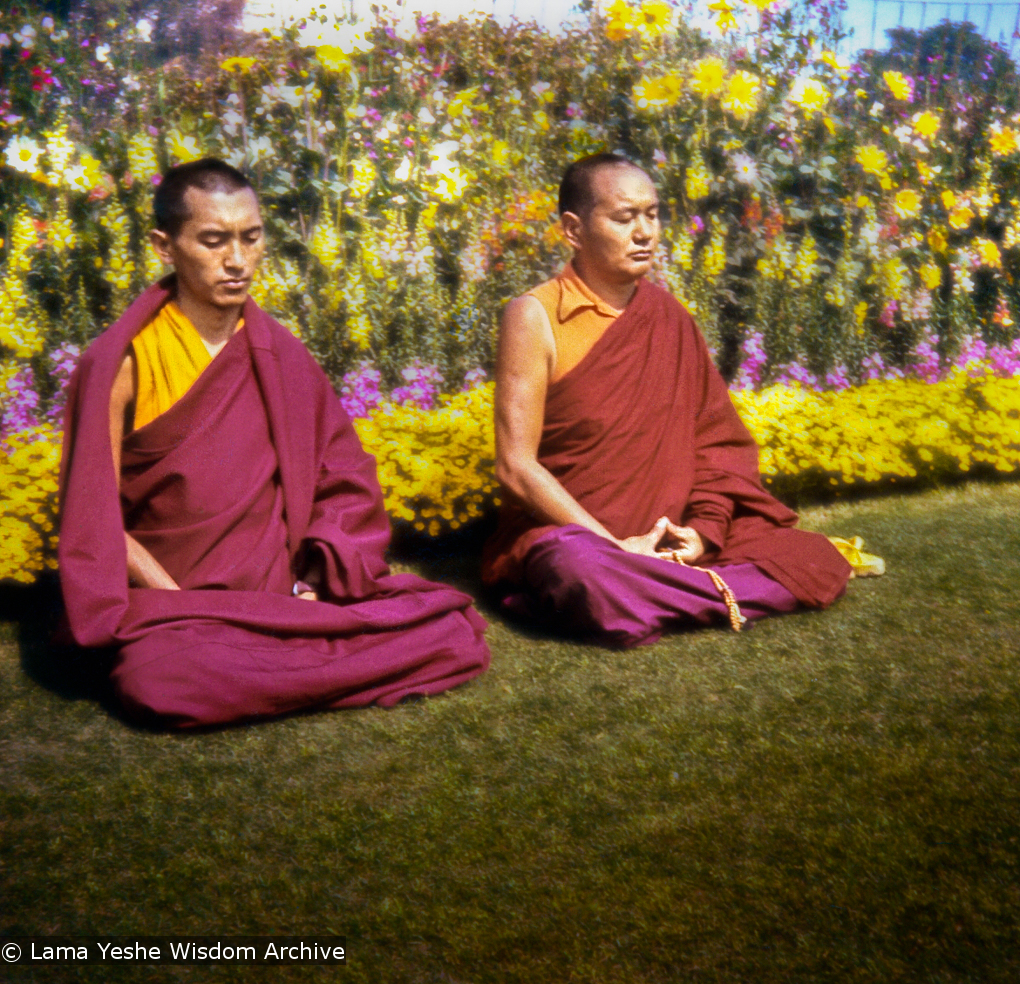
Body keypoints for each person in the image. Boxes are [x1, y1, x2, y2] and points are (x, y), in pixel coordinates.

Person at [58, 159, 490, 728]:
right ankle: (305, 661)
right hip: (175, 606)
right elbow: (93, 517)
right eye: (213, 241)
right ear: (165, 245)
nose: (237, 261)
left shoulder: (280, 355)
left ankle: (281, 655)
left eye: (251, 237)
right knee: (160, 680)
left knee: (453, 633)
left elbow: (344, 479)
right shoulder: (122, 363)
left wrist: (312, 577)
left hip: (279, 599)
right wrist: (184, 604)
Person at [481, 152, 854, 648]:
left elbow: (716, 446)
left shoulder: (668, 315)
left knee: (815, 557)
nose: (645, 233)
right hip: (578, 536)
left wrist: (701, 532)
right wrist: (613, 546)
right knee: (582, 573)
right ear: (573, 230)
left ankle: (650, 592)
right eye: (624, 218)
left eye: (652, 214)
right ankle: (685, 589)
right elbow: (516, 466)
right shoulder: (535, 316)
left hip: (669, 534)